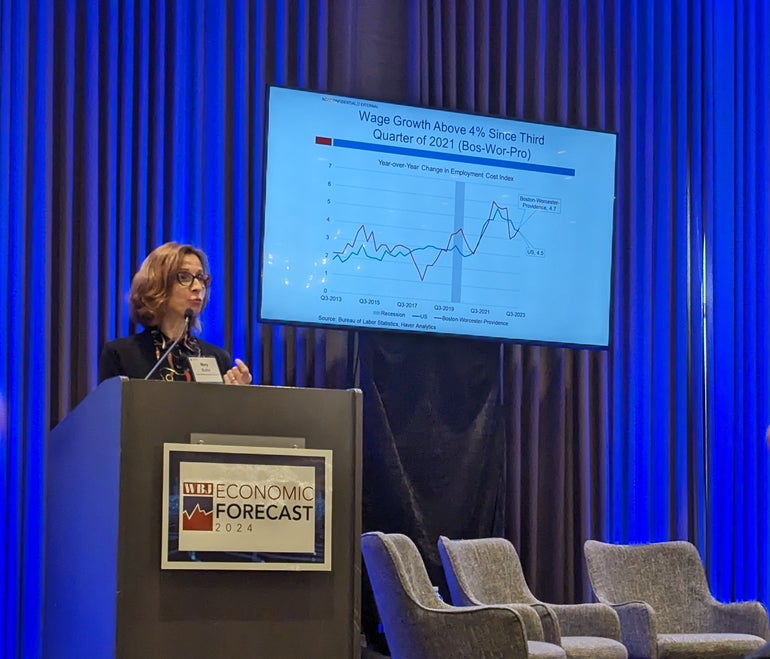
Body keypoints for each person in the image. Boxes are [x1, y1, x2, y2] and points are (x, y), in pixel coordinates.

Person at [98, 241, 251, 385]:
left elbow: (222, 412)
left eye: (200, 277)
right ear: (157, 285)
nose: (197, 287)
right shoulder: (121, 354)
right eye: (184, 277)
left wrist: (237, 397)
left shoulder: (218, 358)